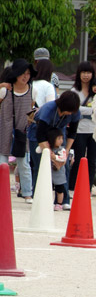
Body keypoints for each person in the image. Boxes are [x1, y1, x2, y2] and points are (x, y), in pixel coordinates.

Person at [34, 91, 81, 209]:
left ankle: (63, 200)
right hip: (40, 134)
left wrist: (64, 153)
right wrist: (52, 156)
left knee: (63, 167)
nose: (69, 113)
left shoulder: (74, 112)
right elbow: (40, 135)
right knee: (41, 165)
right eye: (67, 111)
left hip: (59, 134)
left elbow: (72, 133)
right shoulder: (49, 109)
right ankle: (40, 199)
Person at [0, 58, 36, 203]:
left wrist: (29, 125)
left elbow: (32, 112)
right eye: (23, 73)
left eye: (28, 73)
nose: (25, 76)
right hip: (4, 130)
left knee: (24, 164)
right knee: (2, 163)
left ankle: (27, 193)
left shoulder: (33, 91)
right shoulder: (5, 90)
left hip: (22, 132)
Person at [69, 61, 96, 192]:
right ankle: (72, 187)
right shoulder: (74, 91)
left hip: (94, 130)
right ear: (79, 74)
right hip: (79, 129)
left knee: (92, 161)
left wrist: (85, 110)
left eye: (88, 72)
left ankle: (88, 188)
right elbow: (74, 109)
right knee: (79, 158)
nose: (86, 75)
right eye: (83, 72)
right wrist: (91, 110)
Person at [29, 59, 56, 192]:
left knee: (34, 163)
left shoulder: (30, 84)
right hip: (43, 126)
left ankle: (32, 192)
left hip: (30, 124)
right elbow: (50, 107)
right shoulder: (48, 86)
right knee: (43, 163)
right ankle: (41, 192)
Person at [47, 128, 67, 211]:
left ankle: (59, 204)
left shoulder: (62, 149)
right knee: (49, 188)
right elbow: (38, 150)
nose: (61, 140)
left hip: (59, 174)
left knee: (60, 189)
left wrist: (54, 157)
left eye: (62, 138)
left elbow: (63, 158)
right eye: (58, 138)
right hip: (50, 173)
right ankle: (49, 203)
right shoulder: (48, 148)